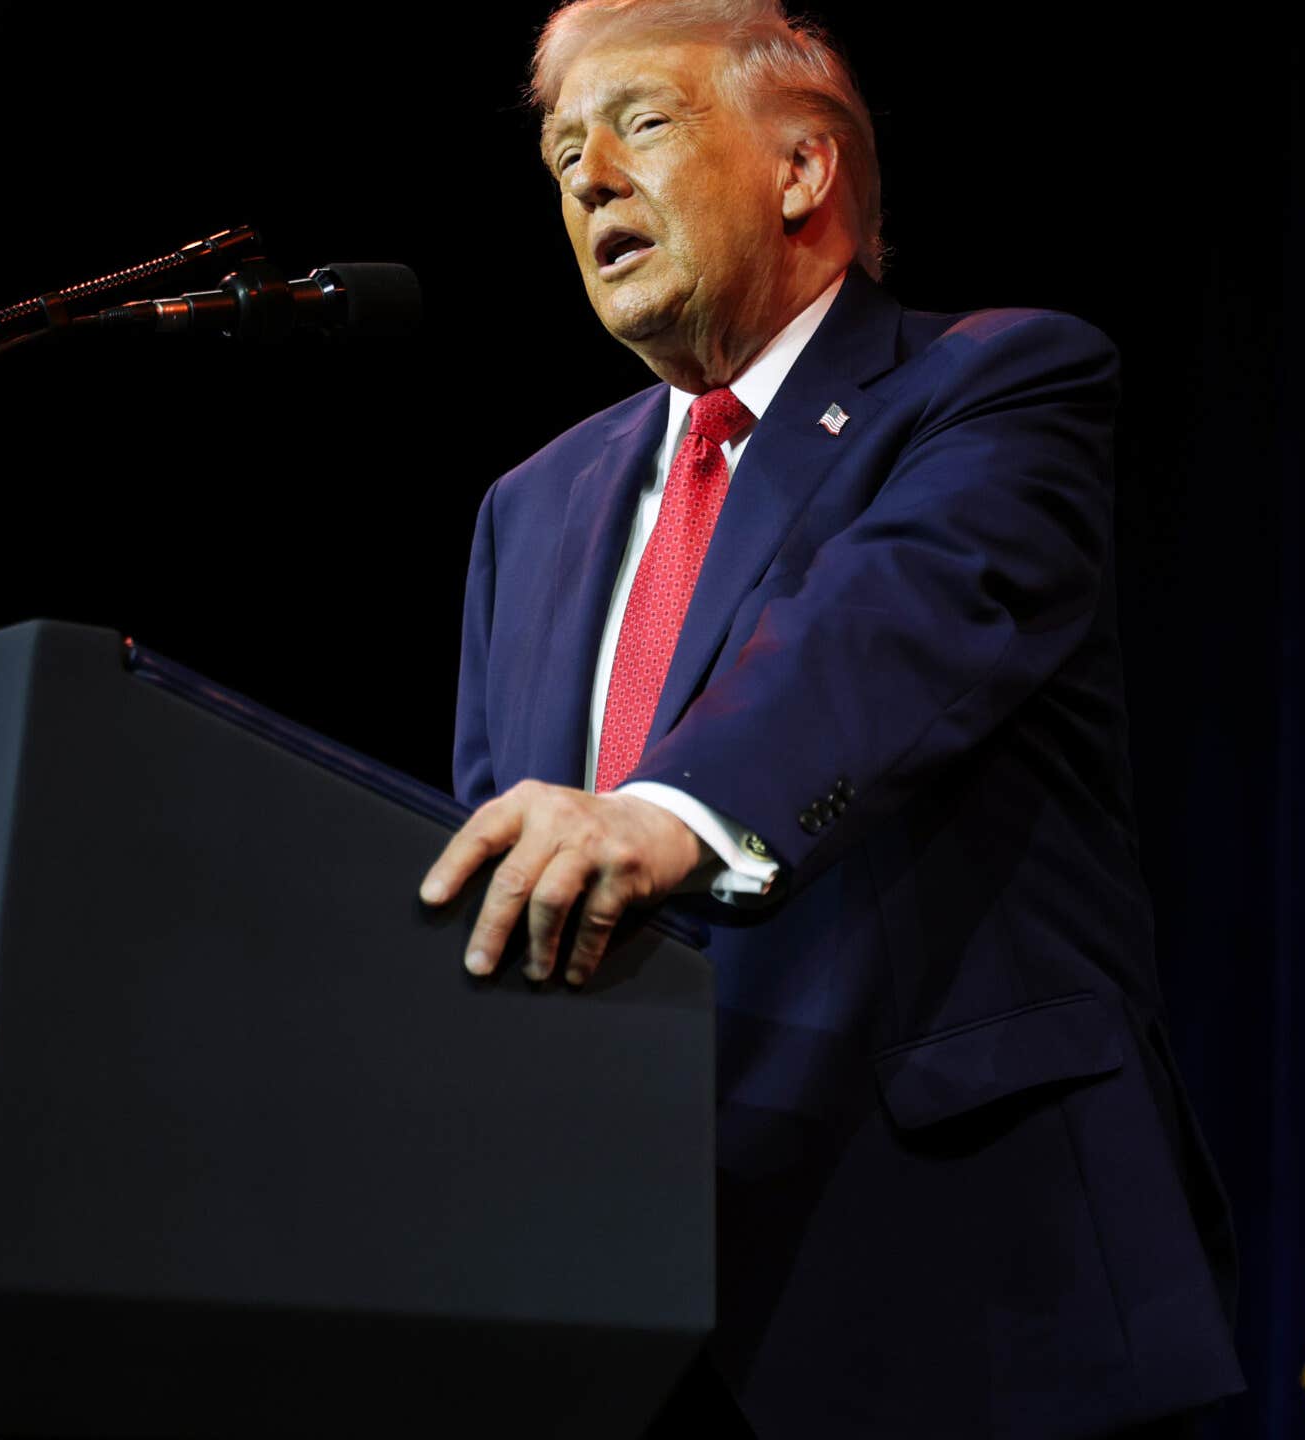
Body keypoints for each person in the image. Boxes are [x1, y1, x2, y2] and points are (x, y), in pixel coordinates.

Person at [418, 1, 1244, 1432]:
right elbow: (502, 849)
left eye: (641, 123)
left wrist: (663, 817)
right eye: (561, 156)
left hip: (962, 1278)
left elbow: (886, 636)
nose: (589, 179)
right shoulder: (528, 509)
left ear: (802, 170)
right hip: (618, 1314)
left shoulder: (995, 386)